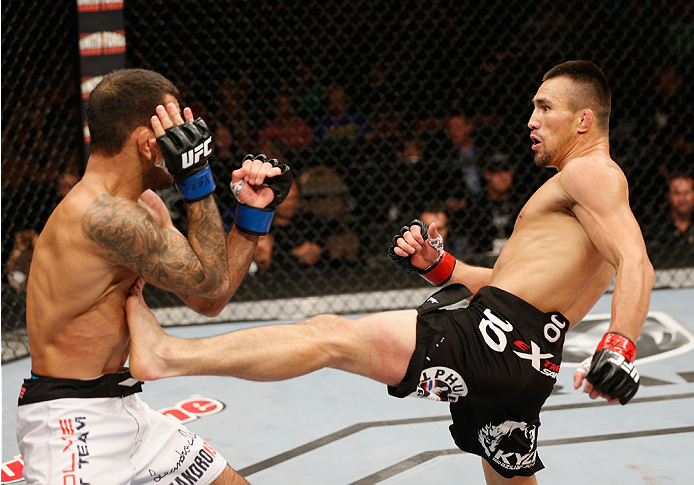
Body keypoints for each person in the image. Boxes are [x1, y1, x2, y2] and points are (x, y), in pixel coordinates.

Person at [125, 61, 654, 484]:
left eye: (545, 108)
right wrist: (442, 267)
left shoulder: (592, 174)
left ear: (583, 120)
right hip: (526, 360)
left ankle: (172, 355)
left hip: (493, 338)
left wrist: (620, 345)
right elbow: (521, 287)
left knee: (330, 335)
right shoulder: (589, 193)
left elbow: (638, 261)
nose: (531, 120)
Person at [16, 68, 291, 485]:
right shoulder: (103, 216)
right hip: (71, 421)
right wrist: (196, 180)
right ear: (148, 142)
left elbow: (207, 298)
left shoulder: (144, 206)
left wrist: (253, 214)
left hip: (126, 407)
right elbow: (211, 283)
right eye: (176, 130)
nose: (188, 139)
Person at [643, 171, 694, 267]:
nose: (682, 199)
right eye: (677, 193)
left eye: (687, 193)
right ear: (669, 195)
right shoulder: (655, 228)